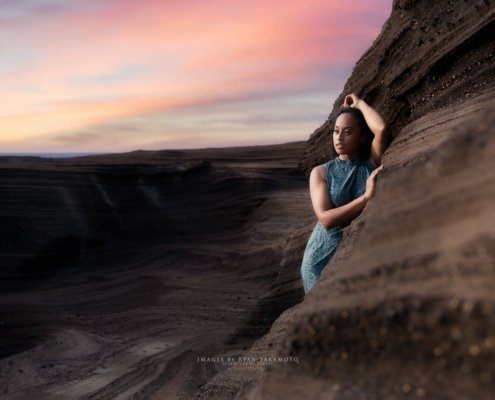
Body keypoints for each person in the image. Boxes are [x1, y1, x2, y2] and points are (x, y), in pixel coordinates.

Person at [300, 93, 391, 294]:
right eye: (336, 131)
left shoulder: (370, 163)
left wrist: (358, 103)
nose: (339, 138)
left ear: (363, 136)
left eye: (348, 132)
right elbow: (326, 219)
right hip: (320, 260)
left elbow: (382, 129)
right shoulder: (320, 172)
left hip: (353, 254)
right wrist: (366, 197)